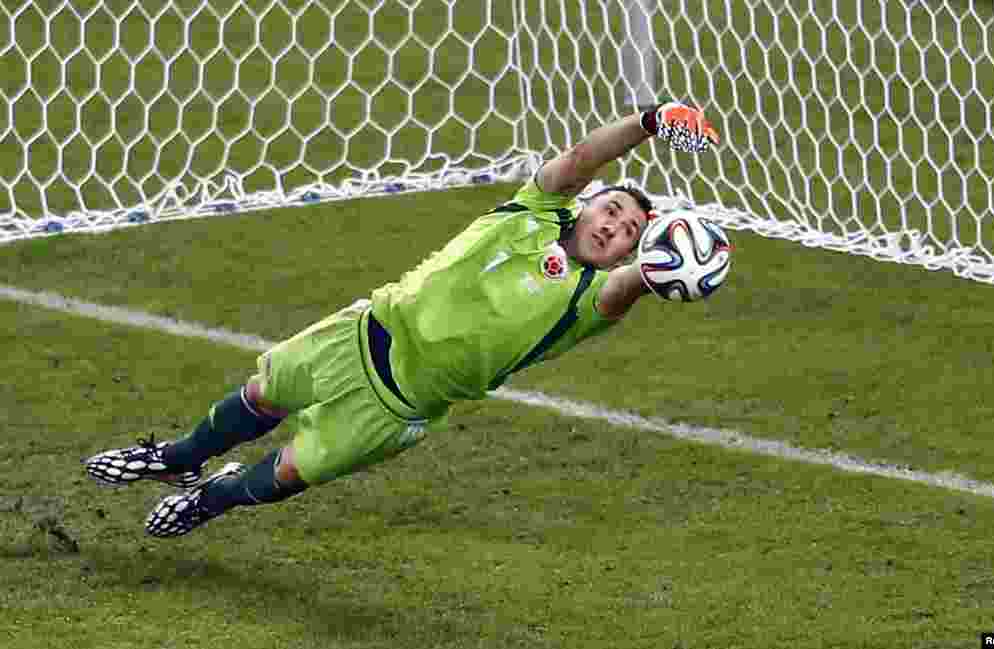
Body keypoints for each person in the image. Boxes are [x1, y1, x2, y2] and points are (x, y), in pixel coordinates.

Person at [84, 101, 721, 538]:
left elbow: (636, 283)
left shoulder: (591, 301)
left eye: (628, 230)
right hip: (360, 334)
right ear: (587, 205)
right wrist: (650, 120)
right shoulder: (534, 209)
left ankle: (210, 498)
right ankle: (178, 457)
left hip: (398, 408)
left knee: (288, 473)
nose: (613, 227)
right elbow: (582, 158)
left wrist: (671, 258)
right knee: (263, 394)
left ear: (630, 251)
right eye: (611, 210)